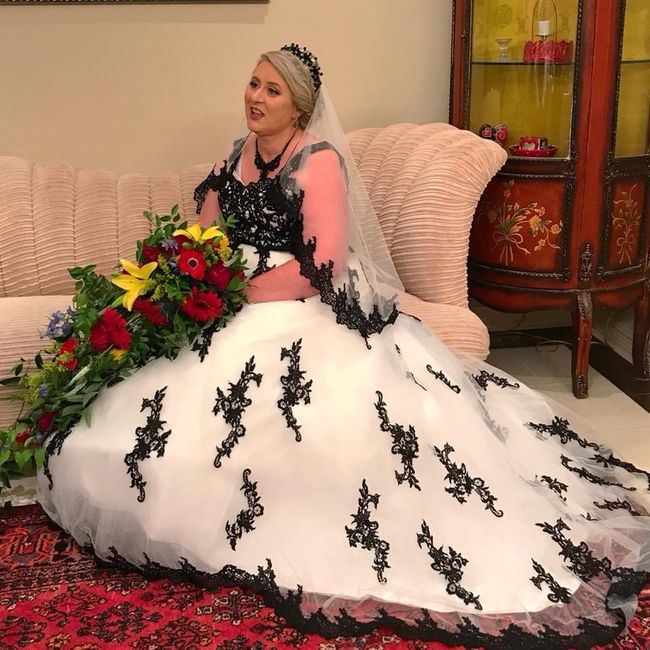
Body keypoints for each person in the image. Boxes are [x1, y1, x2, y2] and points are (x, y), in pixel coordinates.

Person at [38, 44, 650, 649]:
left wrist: (231, 293)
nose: (255, 97)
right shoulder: (236, 152)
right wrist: (188, 276)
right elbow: (205, 231)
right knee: (139, 418)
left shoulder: (319, 161)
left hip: (297, 301)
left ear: (300, 107)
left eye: (272, 90)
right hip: (225, 295)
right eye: (253, 83)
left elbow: (322, 268)